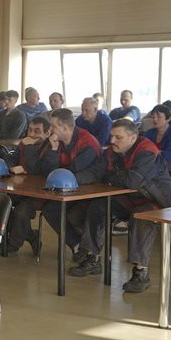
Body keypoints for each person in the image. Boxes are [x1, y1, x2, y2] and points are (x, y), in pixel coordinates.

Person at [69, 119, 171, 288]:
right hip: (130, 198)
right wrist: (72, 179)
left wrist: (110, 178)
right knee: (98, 206)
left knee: (140, 216)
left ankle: (141, 271)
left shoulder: (147, 151)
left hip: (157, 201)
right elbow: (97, 172)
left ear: (132, 138)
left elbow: (132, 181)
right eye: (112, 136)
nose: (112, 141)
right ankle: (92, 257)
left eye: (118, 137)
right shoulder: (112, 151)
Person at [38, 109, 103, 263]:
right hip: (67, 189)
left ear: (65, 128)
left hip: (91, 191)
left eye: (53, 126)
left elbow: (71, 172)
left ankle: (90, 252)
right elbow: (45, 170)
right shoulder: (55, 140)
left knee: (77, 213)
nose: (50, 130)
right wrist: (53, 150)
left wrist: (56, 171)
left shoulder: (87, 143)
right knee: (50, 210)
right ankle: (77, 245)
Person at [3, 116, 52, 257]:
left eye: (37, 131)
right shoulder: (24, 144)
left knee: (21, 212)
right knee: (2, 203)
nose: (32, 134)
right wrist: (12, 167)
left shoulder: (50, 147)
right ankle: (31, 236)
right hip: (22, 189)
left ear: (47, 133)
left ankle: (13, 246)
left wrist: (29, 148)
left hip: (41, 193)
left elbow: (36, 168)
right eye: (30, 130)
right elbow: (11, 159)